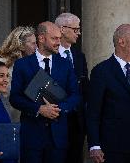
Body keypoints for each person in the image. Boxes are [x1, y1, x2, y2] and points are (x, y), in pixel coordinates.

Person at [9, 21, 80, 163]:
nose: (58, 43)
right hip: (32, 137)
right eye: (54, 39)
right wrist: (39, 109)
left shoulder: (65, 64)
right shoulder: (22, 64)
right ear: (41, 38)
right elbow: (15, 98)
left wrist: (58, 109)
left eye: (59, 39)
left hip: (58, 137)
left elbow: (75, 95)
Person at [87, 24, 130, 163]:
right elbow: (93, 112)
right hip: (113, 148)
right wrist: (94, 144)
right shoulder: (101, 71)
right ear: (121, 42)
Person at [55, 13, 89, 163]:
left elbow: (85, 87)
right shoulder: (50, 54)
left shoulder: (79, 56)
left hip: (77, 121)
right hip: (56, 118)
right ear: (62, 29)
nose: (79, 33)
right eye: (75, 29)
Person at [0, 26, 36, 121]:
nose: (36, 47)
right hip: (4, 120)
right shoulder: (0, 64)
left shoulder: (32, 65)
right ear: (21, 45)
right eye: (33, 43)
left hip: (26, 121)